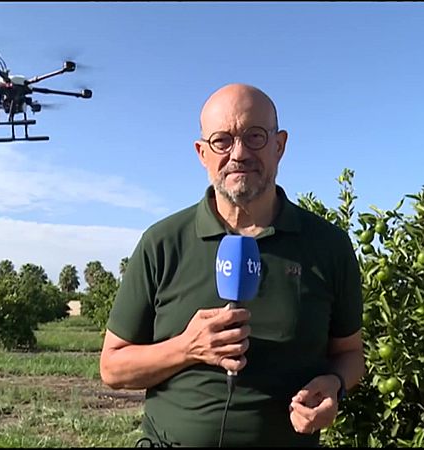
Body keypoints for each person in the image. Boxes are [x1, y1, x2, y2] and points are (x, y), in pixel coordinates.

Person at [99, 83, 365, 447]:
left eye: (254, 136)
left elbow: (350, 354)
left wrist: (334, 384)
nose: (238, 154)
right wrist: (187, 348)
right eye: (222, 141)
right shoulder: (162, 242)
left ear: (280, 145)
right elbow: (113, 368)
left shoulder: (328, 245)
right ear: (202, 153)